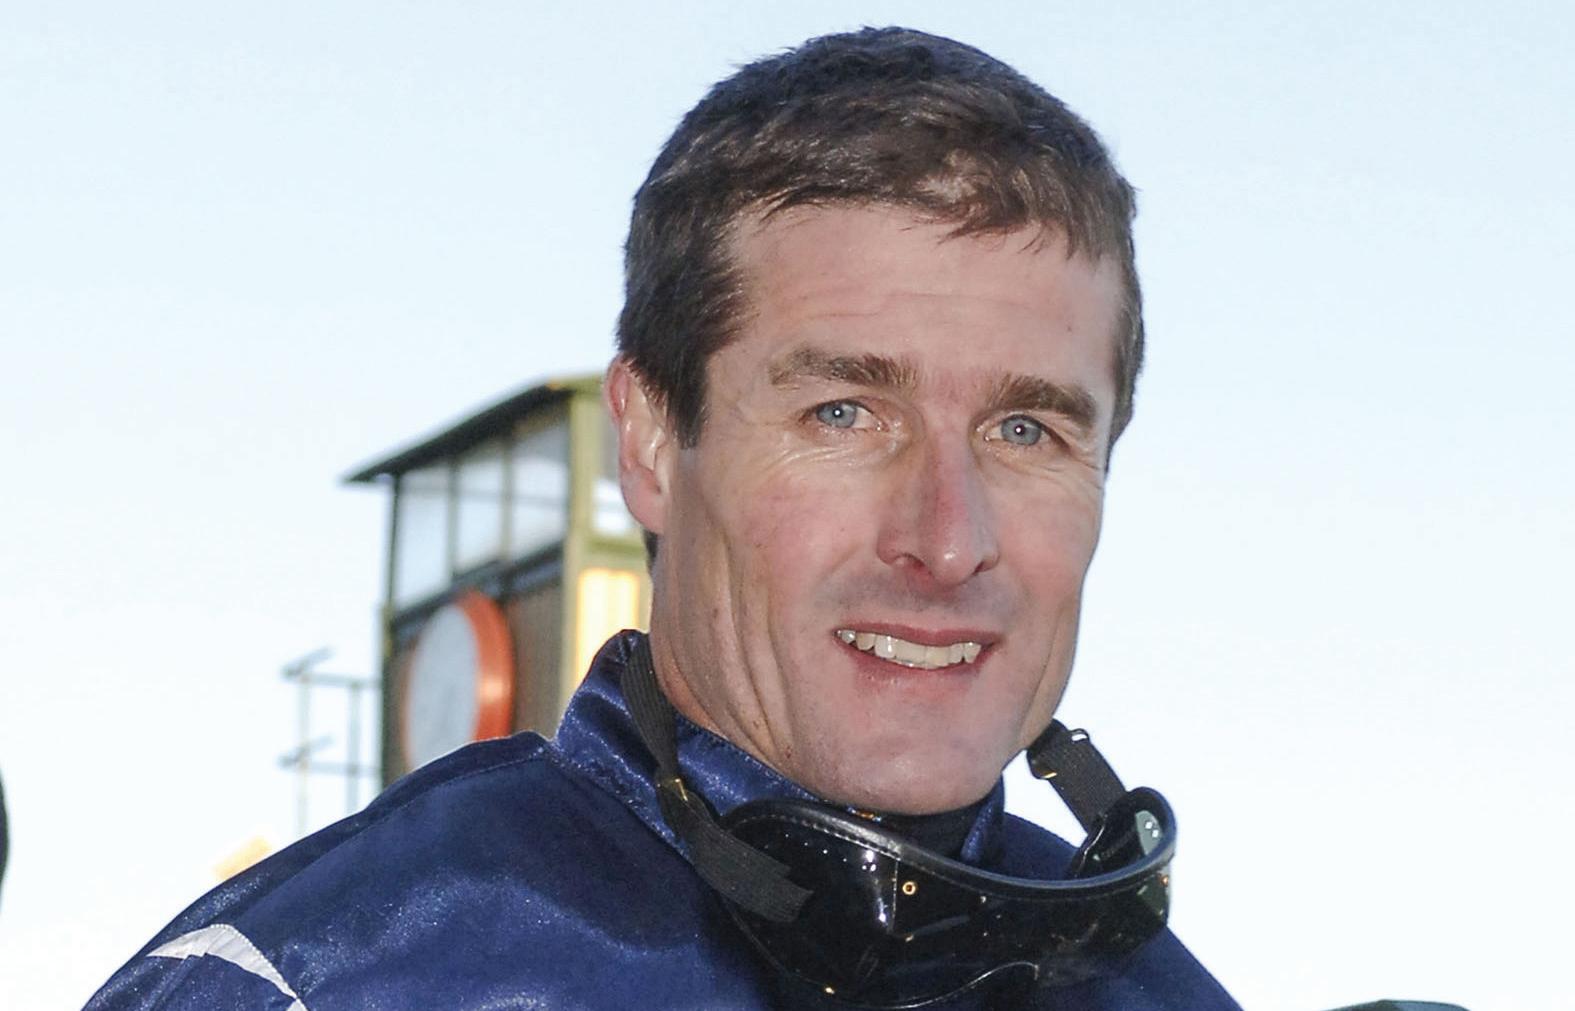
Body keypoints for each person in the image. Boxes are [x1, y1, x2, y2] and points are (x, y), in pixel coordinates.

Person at [87, 27, 1240, 1010]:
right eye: (844, 413)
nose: (947, 540)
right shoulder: (329, 979)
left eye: (1026, 431)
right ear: (647, 444)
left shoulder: (1168, 995)